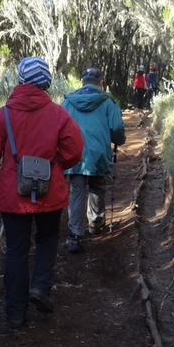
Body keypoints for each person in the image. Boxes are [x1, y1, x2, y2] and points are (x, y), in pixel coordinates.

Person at [0, 56, 84, 329]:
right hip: (50, 193)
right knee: (47, 239)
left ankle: (15, 312)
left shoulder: (4, 114)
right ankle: (40, 288)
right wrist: (56, 166)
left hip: (13, 195)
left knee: (15, 250)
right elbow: (75, 150)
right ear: (46, 83)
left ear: (21, 80)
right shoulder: (59, 114)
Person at [62, 67, 126, 253]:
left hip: (74, 154)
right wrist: (119, 140)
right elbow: (116, 129)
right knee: (97, 186)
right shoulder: (108, 102)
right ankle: (95, 223)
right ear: (101, 83)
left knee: (77, 190)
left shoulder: (68, 101)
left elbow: (60, 126)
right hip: (99, 153)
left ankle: (74, 235)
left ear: (82, 82)